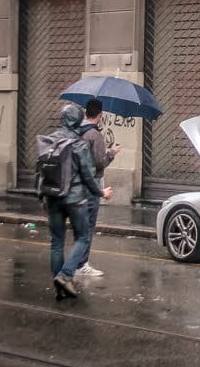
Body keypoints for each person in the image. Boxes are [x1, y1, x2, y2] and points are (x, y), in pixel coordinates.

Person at [46, 105, 112, 299]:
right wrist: (100, 192)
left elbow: (41, 169)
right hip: (74, 198)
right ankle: (65, 275)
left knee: (57, 242)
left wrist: (43, 196)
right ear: (77, 120)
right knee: (83, 237)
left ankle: (60, 284)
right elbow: (88, 175)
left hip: (53, 196)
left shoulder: (50, 140)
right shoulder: (78, 143)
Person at [75, 99, 122, 277]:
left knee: (81, 225)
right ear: (100, 116)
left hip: (78, 183)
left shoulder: (78, 130)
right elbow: (99, 162)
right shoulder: (94, 134)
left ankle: (78, 262)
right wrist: (112, 152)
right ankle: (81, 264)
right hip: (91, 184)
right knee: (88, 225)